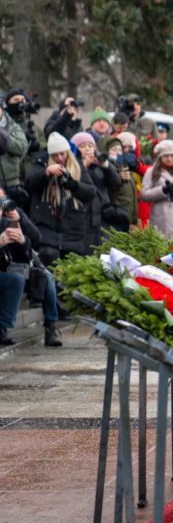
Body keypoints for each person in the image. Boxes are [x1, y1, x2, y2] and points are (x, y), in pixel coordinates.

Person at [0, 188, 62, 346]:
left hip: (18, 266)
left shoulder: (12, 216)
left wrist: (20, 228)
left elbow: (35, 239)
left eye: (3, 199)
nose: (3, 204)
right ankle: (2, 329)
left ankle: (51, 327)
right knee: (16, 280)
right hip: (6, 271)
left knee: (46, 277)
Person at [24, 132, 97, 267]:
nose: (59, 158)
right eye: (55, 155)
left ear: (68, 152)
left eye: (63, 154)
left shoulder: (77, 166)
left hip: (73, 233)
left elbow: (91, 192)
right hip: (46, 231)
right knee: (49, 261)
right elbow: (29, 184)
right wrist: (46, 173)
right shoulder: (39, 164)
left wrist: (72, 184)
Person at [0, 97, 30, 210]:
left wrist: (5, 140)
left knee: (14, 219)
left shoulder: (12, 127)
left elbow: (22, 147)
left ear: (2, 109)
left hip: (11, 184)